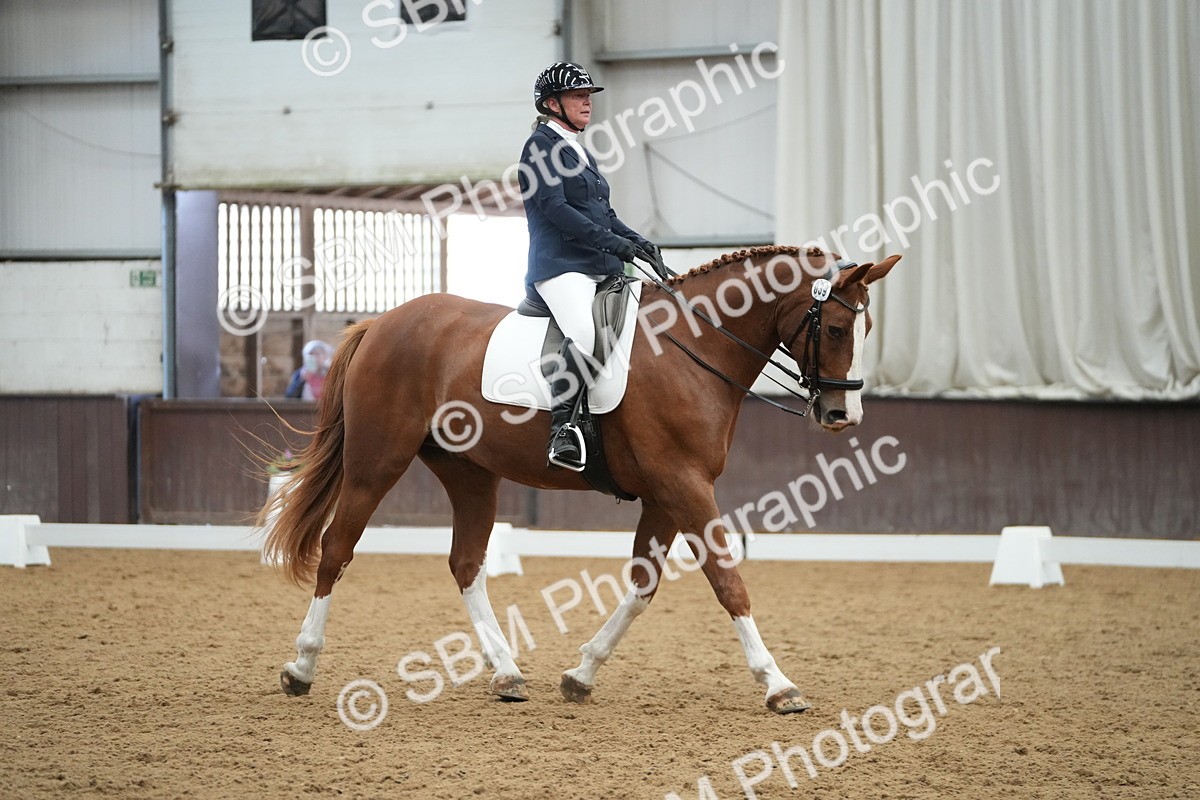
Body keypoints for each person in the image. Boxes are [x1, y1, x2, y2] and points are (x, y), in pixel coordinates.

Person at [519, 61, 668, 471]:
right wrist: (616, 244)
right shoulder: (539, 147)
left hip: (598, 264)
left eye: (588, 96)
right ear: (552, 104)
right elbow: (557, 210)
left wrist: (639, 242)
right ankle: (562, 431)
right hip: (561, 266)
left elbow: (604, 214)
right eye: (578, 96)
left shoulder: (579, 150)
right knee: (585, 333)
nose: (587, 102)